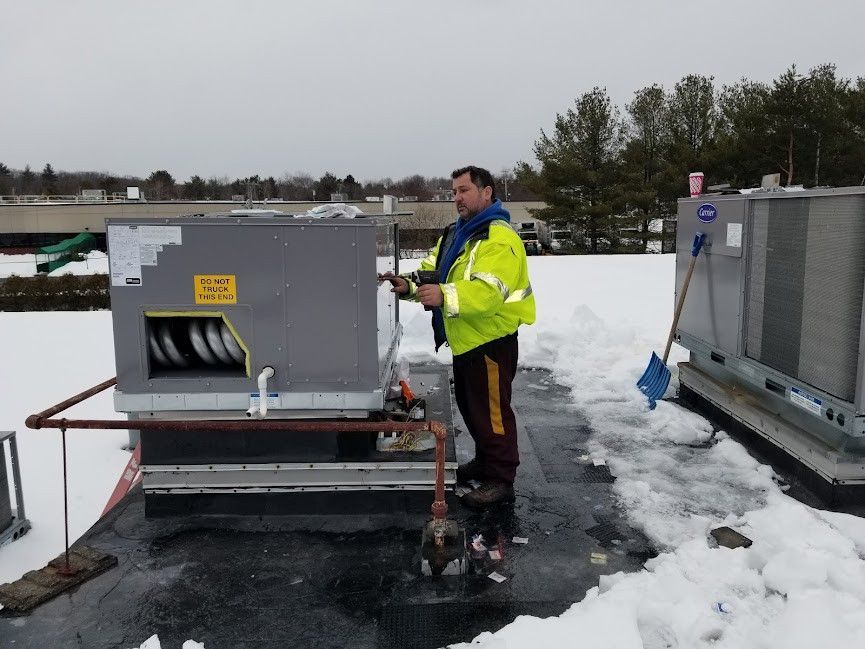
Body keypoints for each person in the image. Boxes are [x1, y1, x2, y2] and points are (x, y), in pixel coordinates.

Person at [380, 165, 535, 509]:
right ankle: (485, 461)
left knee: (492, 413)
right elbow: (433, 270)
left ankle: (501, 478)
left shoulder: (499, 238)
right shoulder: (457, 233)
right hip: (466, 339)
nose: (457, 198)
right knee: (472, 408)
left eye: (464, 190)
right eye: (454, 192)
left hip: (491, 341)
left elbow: (488, 292)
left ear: (486, 192)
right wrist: (408, 284)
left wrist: (445, 295)